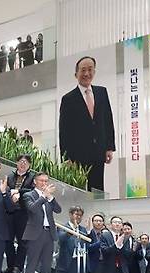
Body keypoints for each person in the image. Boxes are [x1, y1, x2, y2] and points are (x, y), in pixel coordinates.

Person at [59, 56, 115, 191]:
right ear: (76, 74)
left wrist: (109, 147)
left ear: (94, 72)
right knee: (78, 189)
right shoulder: (68, 99)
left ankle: (97, 213)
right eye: (83, 70)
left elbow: (107, 119)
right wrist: (66, 157)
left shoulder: (102, 92)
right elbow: (64, 130)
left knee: (97, 188)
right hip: (77, 155)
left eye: (90, 70)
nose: (86, 74)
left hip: (98, 151)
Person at [22, 172, 62, 273]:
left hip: (48, 234)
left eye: (46, 181)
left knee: (47, 269)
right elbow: (32, 209)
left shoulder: (48, 197)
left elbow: (58, 210)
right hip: (34, 235)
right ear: (35, 182)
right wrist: (44, 196)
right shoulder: (29, 195)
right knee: (31, 269)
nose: (44, 183)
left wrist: (50, 197)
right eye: (41, 180)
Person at [4, 154, 35, 273]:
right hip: (10, 211)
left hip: (24, 212)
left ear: (29, 165)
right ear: (16, 163)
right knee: (8, 240)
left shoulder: (32, 177)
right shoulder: (10, 176)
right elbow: (5, 190)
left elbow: (32, 191)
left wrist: (18, 192)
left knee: (23, 241)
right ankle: (10, 265)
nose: (23, 164)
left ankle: (18, 267)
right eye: (21, 161)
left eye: (26, 162)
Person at [56, 206, 88, 273]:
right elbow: (60, 239)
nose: (78, 217)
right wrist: (69, 232)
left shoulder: (83, 229)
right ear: (70, 215)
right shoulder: (62, 227)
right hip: (67, 264)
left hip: (80, 263)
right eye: (76, 214)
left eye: (80, 215)